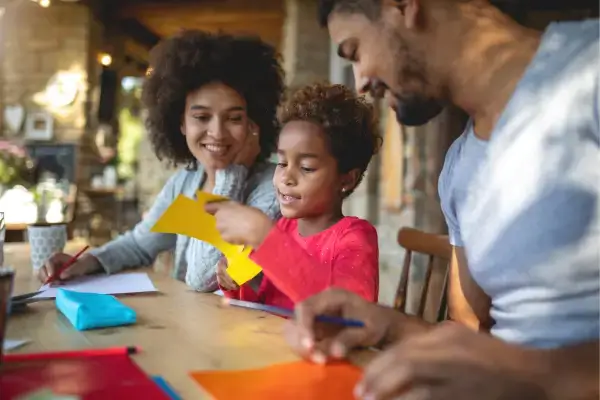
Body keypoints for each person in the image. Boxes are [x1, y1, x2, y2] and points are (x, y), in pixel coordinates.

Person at [285, 1, 599, 399]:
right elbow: (470, 337)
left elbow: (509, 365)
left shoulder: (589, 73)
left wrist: (534, 372)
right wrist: (389, 326)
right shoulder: (459, 166)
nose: (360, 81)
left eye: (355, 52)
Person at [38, 31, 285, 292]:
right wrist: (87, 261)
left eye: (234, 119)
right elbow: (141, 244)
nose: (217, 132)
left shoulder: (273, 188)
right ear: (180, 123)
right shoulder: (187, 182)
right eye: (201, 117)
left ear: (253, 123)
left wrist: (231, 173)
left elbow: (202, 278)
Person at [205, 83, 381, 308]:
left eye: (306, 167)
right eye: (282, 163)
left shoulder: (353, 239)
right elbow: (267, 306)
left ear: (346, 179)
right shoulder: (284, 228)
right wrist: (238, 281)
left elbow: (348, 314)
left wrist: (266, 240)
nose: (286, 177)